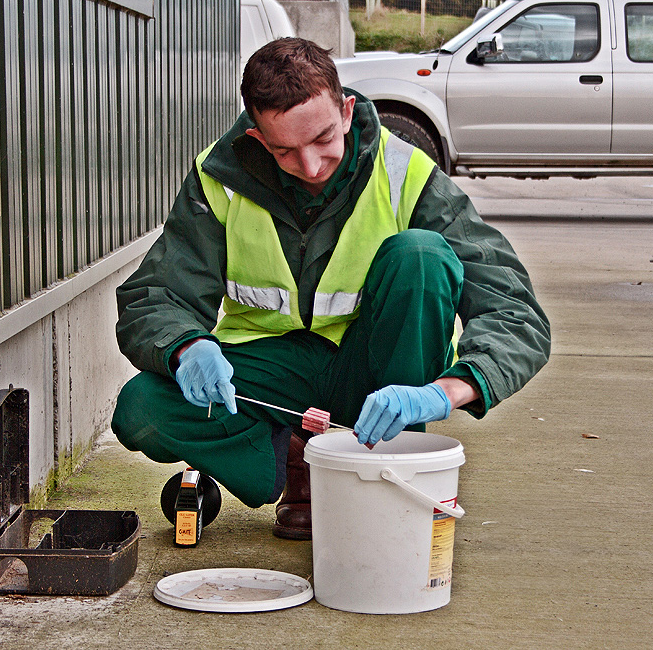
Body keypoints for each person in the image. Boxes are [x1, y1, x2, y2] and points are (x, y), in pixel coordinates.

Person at [111, 38, 550, 540]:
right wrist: (188, 346)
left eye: (322, 139)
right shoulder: (221, 178)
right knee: (141, 408)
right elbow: (155, 296)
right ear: (257, 137)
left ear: (345, 112)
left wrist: (444, 393)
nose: (312, 166)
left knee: (422, 255)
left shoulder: (405, 172)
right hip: (265, 376)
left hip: (372, 371)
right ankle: (297, 459)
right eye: (284, 151)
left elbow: (514, 311)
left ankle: (387, 471)